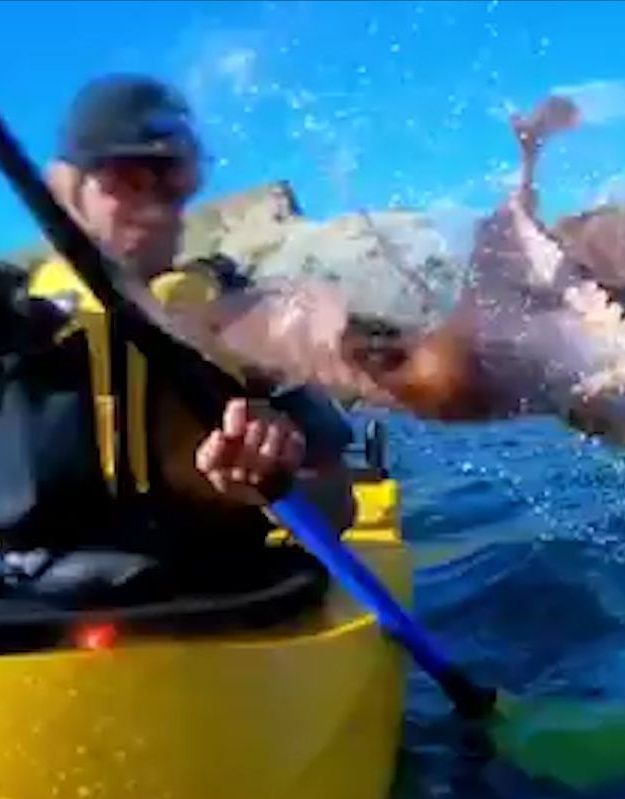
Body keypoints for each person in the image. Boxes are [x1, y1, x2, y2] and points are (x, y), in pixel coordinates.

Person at [0, 74, 357, 605]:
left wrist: (275, 487)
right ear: (69, 188)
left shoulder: (246, 320)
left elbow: (338, 506)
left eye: (170, 179)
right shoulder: (17, 316)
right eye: (126, 178)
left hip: (220, 597)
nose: (153, 202)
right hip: (37, 610)